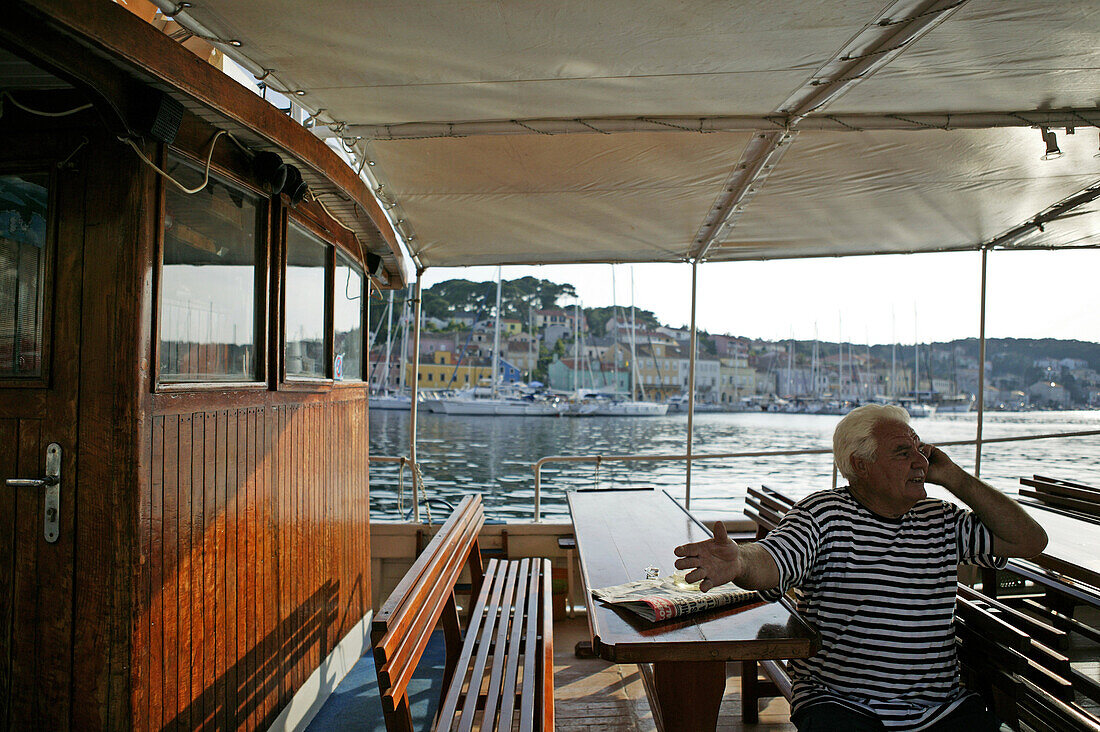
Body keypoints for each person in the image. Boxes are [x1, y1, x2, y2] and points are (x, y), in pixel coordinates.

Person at [673, 404, 1047, 732]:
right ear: (859, 465)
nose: (920, 461)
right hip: (839, 701)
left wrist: (953, 476)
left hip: (937, 707)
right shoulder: (823, 515)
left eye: (922, 450)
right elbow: (774, 559)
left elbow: (1029, 541)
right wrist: (740, 560)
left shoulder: (942, 520)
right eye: (903, 453)